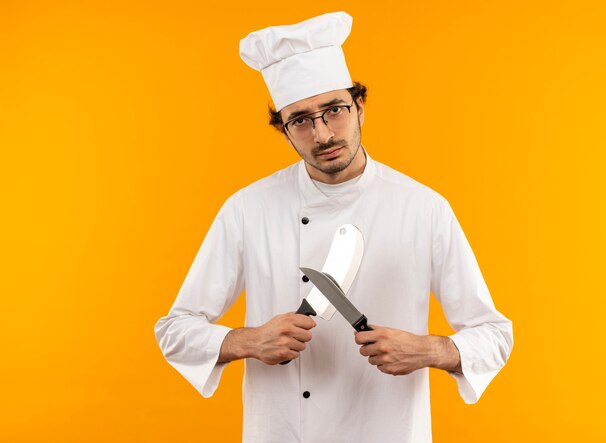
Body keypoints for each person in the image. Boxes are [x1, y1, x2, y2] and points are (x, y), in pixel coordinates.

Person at [155, 11, 513, 443]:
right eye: (300, 120)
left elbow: (495, 336)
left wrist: (432, 350)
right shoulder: (247, 209)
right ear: (284, 132)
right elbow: (174, 331)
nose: (322, 134)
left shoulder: (424, 208)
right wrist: (246, 341)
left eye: (334, 110)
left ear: (359, 106)